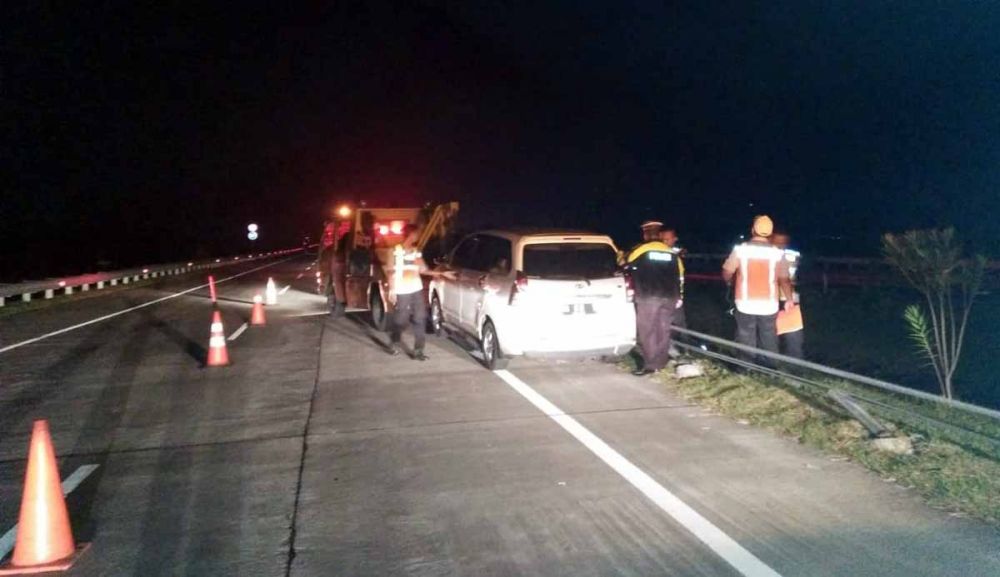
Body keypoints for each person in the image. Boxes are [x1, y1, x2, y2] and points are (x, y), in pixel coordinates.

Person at [721, 215, 793, 363]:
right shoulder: (778, 253)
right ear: (771, 232)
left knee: (745, 335)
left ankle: (746, 367)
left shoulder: (741, 250)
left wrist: (729, 281)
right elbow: (784, 279)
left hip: (745, 302)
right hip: (769, 304)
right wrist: (789, 299)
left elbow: (727, 272)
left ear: (752, 230)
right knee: (769, 336)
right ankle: (770, 368)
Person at [386, 224, 454, 360]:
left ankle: (418, 351)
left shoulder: (416, 251)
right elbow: (390, 271)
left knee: (420, 318)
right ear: (411, 234)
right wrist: (392, 290)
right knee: (401, 320)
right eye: (417, 234)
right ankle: (394, 341)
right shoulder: (393, 251)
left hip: (416, 289)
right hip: (401, 290)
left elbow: (423, 270)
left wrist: (442, 273)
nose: (418, 236)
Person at [625, 220, 683, 376]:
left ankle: (651, 365)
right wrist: (679, 296)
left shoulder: (640, 250)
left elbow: (625, 263)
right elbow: (679, 274)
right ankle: (661, 363)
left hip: (648, 296)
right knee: (663, 330)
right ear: (659, 235)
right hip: (669, 297)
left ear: (645, 234)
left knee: (648, 331)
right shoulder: (671, 252)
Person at [772, 232, 804, 359]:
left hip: (788, 300)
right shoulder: (792, 255)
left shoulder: (792, 256)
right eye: (778, 240)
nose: (780, 243)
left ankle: (794, 366)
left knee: (793, 336)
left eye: (783, 240)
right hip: (776, 300)